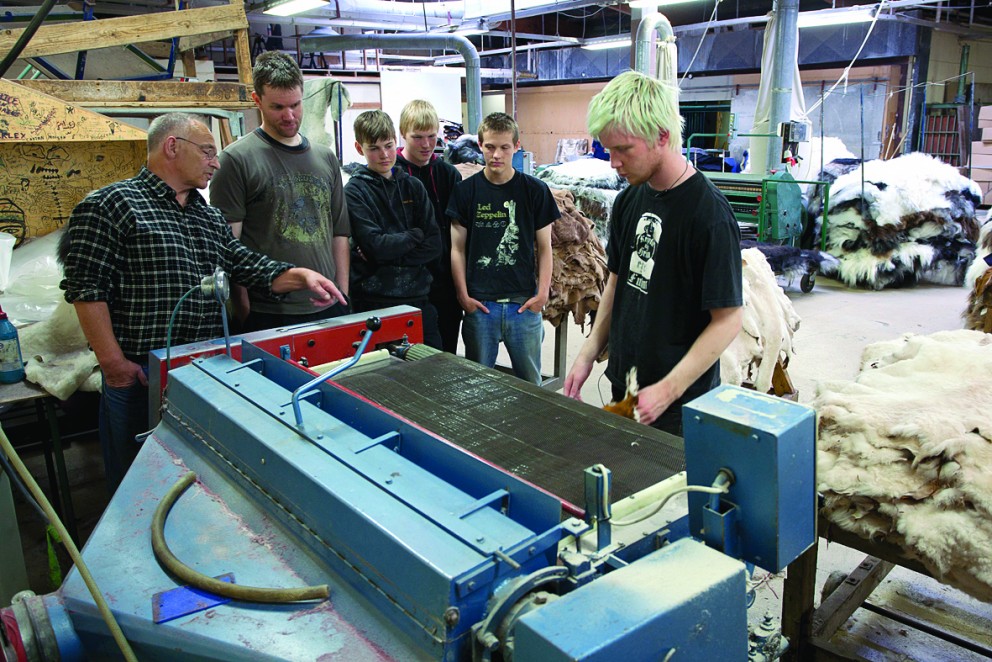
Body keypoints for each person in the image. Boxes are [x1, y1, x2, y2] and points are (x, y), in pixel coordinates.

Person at [59, 113, 346, 494]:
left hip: (204, 370)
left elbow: (243, 262)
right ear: (172, 146)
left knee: (198, 478)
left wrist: (299, 276)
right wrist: (115, 367)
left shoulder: (207, 216)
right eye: (208, 152)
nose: (216, 162)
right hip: (141, 375)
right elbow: (86, 289)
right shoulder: (111, 206)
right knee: (137, 484)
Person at [563, 71, 744, 436]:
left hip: (679, 405)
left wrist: (669, 389)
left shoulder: (709, 215)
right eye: (607, 149)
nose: (614, 162)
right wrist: (588, 351)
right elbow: (618, 279)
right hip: (626, 384)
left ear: (662, 136)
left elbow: (728, 319)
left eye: (624, 150)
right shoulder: (630, 199)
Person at [209, 51, 351, 332]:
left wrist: (342, 293)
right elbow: (228, 247)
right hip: (269, 312)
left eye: (296, 105)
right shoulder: (236, 160)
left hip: (327, 305)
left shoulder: (325, 158)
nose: (289, 116)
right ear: (257, 100)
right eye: (277, 107)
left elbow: (339, 231)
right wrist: (243, 309)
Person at [447, 112, 559, 385]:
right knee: (478, 386)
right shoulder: (466, 191)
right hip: (480, 306)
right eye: (489, 147)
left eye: (504, 147)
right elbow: (457, 249)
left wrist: (542, 294)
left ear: (517, 146)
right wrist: (463, 296)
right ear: (481, 146)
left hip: (523, 306)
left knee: (531, 386)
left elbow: (545, 248)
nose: (496, 154)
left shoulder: (535, 190)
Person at [345, 110, 443, 349]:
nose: (384, 155)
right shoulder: (354, 192)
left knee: (435, 369)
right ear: (359, 148)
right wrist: (414, 235)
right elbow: (376, 247)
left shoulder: (413, 186)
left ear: (395, 141)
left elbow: (434, 244)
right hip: (373, 302)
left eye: (388, 146)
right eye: (374, 148)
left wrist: (390, 252)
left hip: (418, 300)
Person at [396, 99, 463, 353]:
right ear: (402, 134)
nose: (426, 145)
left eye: (432, 136)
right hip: (407, 284)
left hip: (444, 282)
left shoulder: (448, 174)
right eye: (417, 137)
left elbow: (458, 232)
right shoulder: (392, 174)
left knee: (446, 355)